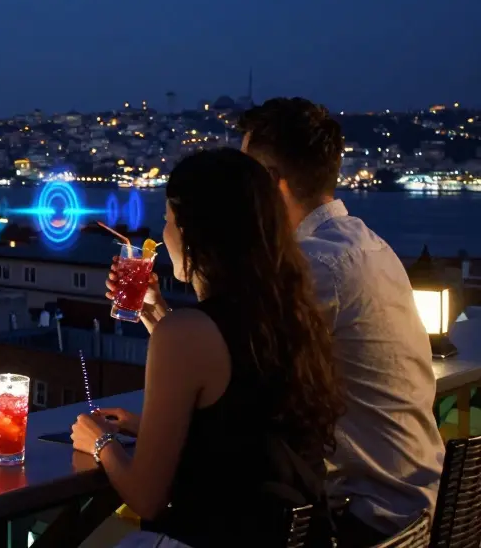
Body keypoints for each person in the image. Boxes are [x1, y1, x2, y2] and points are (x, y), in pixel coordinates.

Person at [74, 148, 345, 548]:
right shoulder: (292, 316)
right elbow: (241, 423)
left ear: (192, 231)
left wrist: (101, 441)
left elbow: (148, 498)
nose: (163, 235)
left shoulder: (188, 334)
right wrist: (157, 314)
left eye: (167, 220)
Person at [237, 97, 443, 545]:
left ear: (272, 183)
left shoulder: (316, 265)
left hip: (371, 520)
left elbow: (235, 372)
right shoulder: (371, 246)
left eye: (244, 177)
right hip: (418, 504)